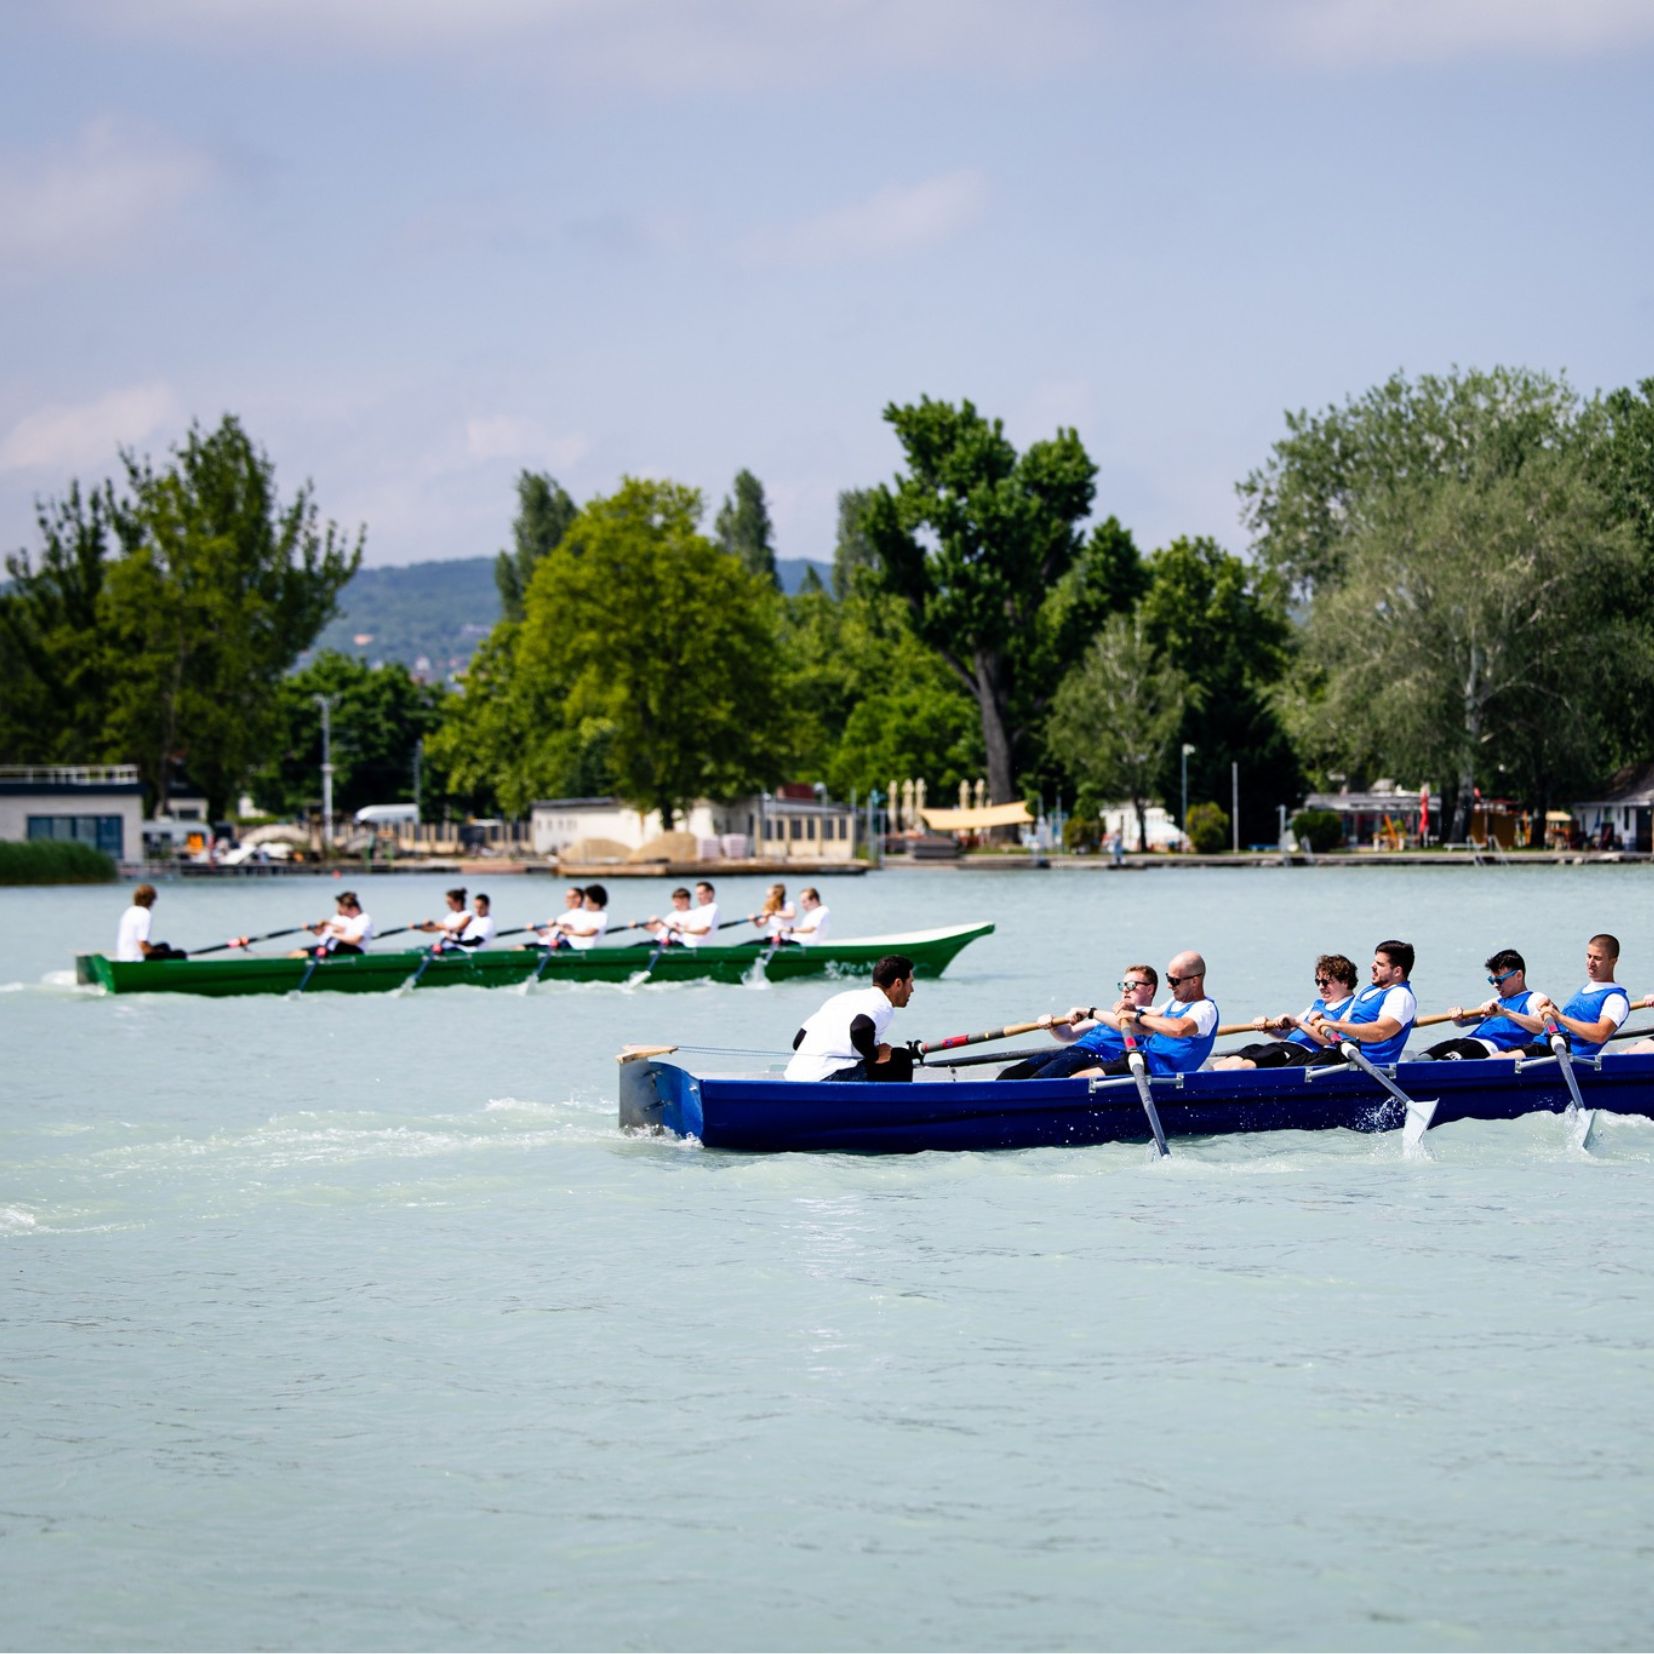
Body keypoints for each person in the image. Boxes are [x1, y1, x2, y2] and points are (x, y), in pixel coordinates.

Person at [997, 965, 1159, 1080]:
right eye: (1122, 985)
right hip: (1070, 1051)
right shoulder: (1109, 1016)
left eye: (1131, 985)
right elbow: (1067, 1034)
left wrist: (1090, 1012)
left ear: (1149, 989)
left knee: (1037, 1082)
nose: (1125, 989)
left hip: (1094, 1058)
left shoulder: (1152, 1015)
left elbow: (1141, 1027)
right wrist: (1052, 1024)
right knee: (1009, 1075)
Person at [1073, 951, 1220, 1077]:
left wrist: (1137, 1016)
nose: (1169, 986)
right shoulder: (1173, 1002)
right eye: (1168, 978)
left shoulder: (1205, 1009)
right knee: (1078, 1077)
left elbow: (1178, 1029)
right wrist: (1132, 1010)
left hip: (1161, 1071)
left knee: (1082, 1079)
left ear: (1194, 981)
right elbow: (1144, 1026)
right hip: (1140, 1059)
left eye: (1174, 981)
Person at [1509, 934, 1648, 1058]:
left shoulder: (1615, 999)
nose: (1590, 963)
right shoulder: (1586, 989)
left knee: (1502, 1059)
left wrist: (1559, 1017)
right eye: (1588, 956)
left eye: (1597, 958)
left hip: (1566, 1054)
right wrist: (1554, 1010)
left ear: (1613, 961)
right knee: (1500, 1056)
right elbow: (1570, 1021)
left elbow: (1600, 1035)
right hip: (1547, 1043)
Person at [785, 954, 916, 1083]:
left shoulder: (843, 998)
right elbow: (859, 1028)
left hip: (793, 1079)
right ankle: (897, 1104)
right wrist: (875, 1055)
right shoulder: (881, 1003)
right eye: (910, 983)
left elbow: (798, 1041)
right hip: (826, 1080)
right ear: (898, 983)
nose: (912, 990)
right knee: (900, 1057)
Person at [1214, 955, 1358, 1069]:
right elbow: (1286, 1033)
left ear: (1344, 981)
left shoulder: (1352, 1007)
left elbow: (1332, 1041)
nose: (1321, 987)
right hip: (1281, 1046)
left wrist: (1298, 1022)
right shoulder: (1317, 1004)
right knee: (1233, 1060)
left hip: (1302, 1054)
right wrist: (1268, 1026)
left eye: (1326, 982)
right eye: (1318, 982)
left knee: (1241, 1067)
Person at [1301, 940, 1417, 1065]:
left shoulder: (1400, 995)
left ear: (1397, 972)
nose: (1372, 966)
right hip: (1338, 1053)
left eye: (1380, 964)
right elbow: (1344, 1022)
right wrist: (1325, 1021)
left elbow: (1380, 1032)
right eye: (1374, 961)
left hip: (1364, 1064)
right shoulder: (1367, 990)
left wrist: (1336, 1026)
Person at [1421, 948, 1539, 1060]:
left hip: (1491, 1048)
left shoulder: (1534, 999)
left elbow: (1541, 1027)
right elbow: (1463, 1023)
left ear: (1519, 975)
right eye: (1491, 981)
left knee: (1444, 1062)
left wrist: (1505, 1013)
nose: (1495, 985)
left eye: (1499, 980)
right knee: (1422, 1059)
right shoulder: (1494, 1001)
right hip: (1467, 1041)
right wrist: (1457, 1016)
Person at [115, 884, 187, 962]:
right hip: (136, 959)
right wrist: (157, 953)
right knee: (180, 953)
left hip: (123, 957)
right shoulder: (145, 914)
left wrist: (160, 952)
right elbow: (142, 945)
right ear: (150, 900)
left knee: (164, 946)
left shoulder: (129, 911)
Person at [291, 891, 374, 958]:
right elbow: (328, 931)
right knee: (296, 953)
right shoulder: (348, 919)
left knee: (300, 954)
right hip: (337, 949)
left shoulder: (363, 919)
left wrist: (332, 934)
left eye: (341, 907)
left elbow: (355, 940)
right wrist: (312, 928)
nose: (338, 909)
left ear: (351, 908)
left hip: (352, 952)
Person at [552, 884, 610, 952]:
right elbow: (576, 928)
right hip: (569, 944)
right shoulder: (587, 914)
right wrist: (559, 925)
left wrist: (569, 932)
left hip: (579, 948)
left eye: (586, 899)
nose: (584, 902)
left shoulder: (601, 916)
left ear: (593, 900)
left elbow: (590, 932)